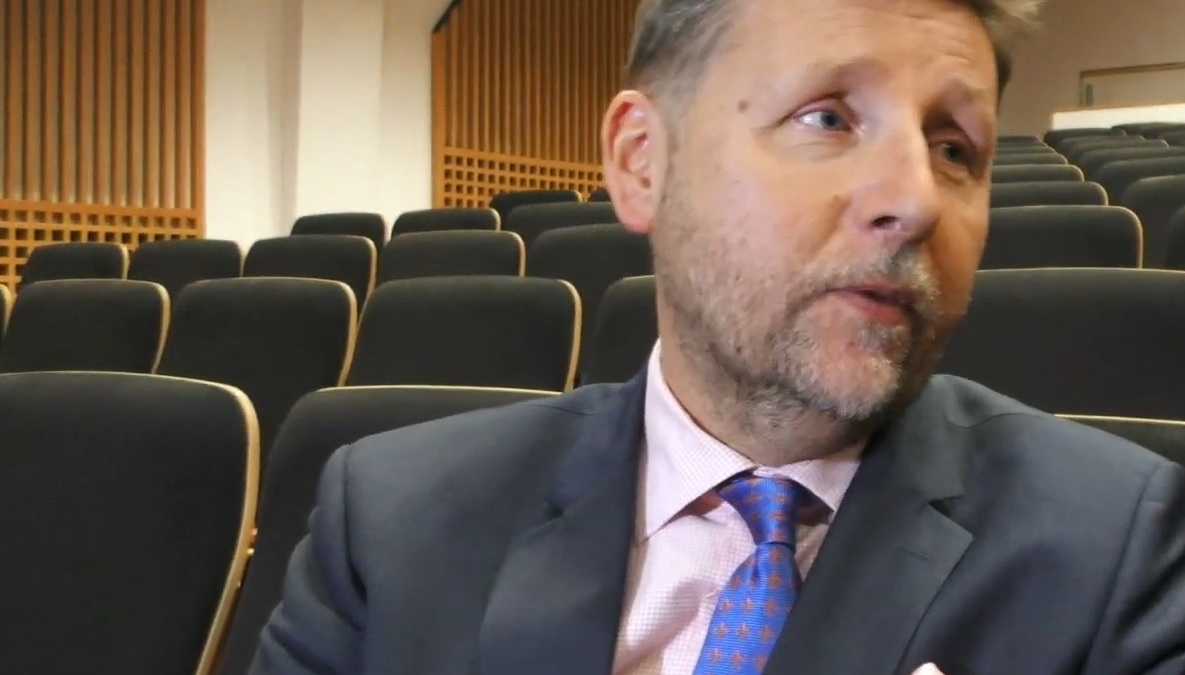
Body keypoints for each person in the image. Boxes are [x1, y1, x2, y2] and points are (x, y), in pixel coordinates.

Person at [250, 0, 1185, 673]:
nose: (913, 199)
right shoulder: (393, 519)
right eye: (826, 117)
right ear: (641, 162)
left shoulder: (1117, 549)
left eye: (955, 149)